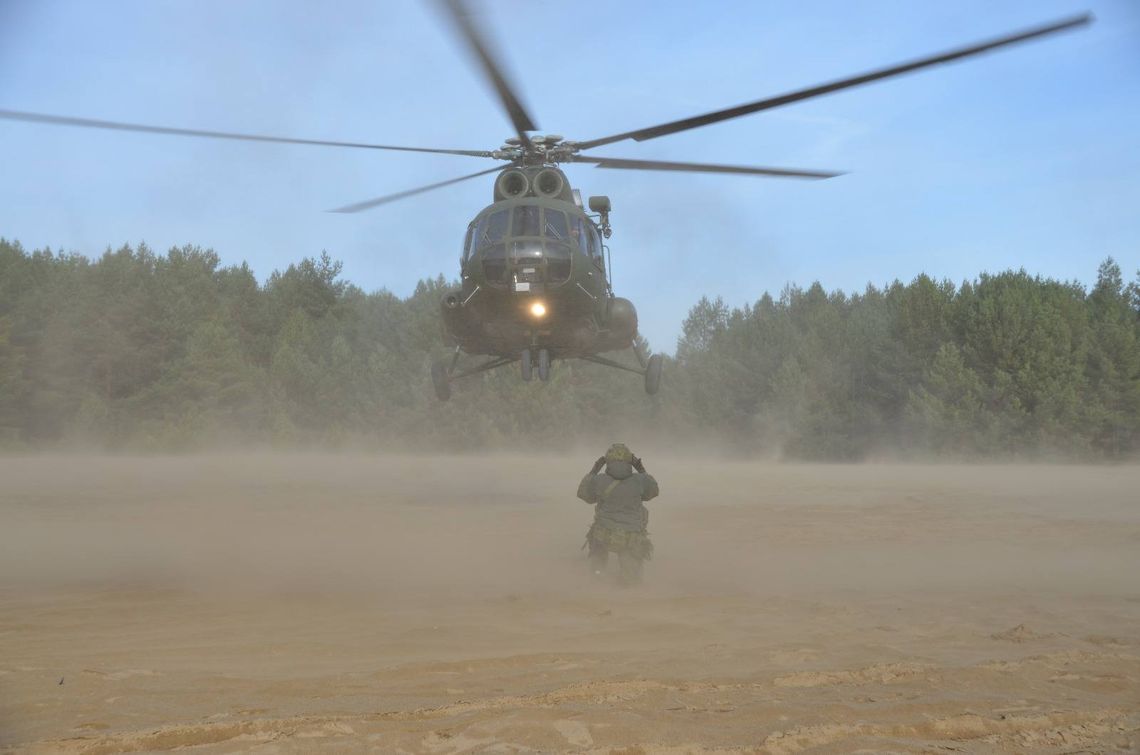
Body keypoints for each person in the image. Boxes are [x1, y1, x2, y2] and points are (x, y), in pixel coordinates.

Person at [576, 443, 659, 585]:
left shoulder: (599, 480)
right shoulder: (640, 480)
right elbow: (652, 493)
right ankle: (628, 585)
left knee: (597, 575)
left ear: (607, 461)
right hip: (631, 537)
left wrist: (594, 470)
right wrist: (641, 469)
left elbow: (584, 495)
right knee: (632, 582)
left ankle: (598, 573)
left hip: (603, 535)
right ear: (629, 461)